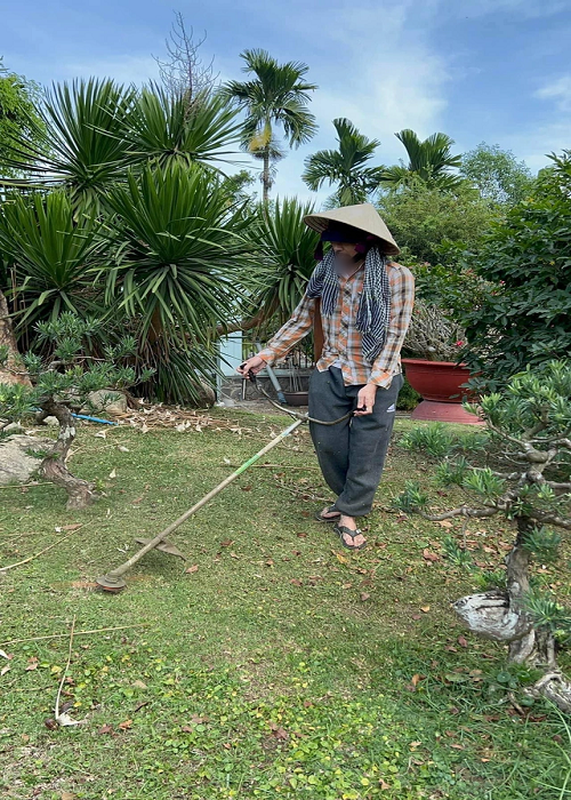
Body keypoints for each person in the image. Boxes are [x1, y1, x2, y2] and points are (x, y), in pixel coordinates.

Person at [239, 203, 414, 550]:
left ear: (363, 243)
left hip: (375, 375)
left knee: (367, 447)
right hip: (331, 369)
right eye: (330, 243)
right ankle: (345, 496)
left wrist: (374, 382)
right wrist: (266, 355)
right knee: (327, 443)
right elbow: (301, 319)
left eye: (341, 244)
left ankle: (349, 510)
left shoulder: (398, 277)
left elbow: (395, 334)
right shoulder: (324, 274)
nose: (334, 249)